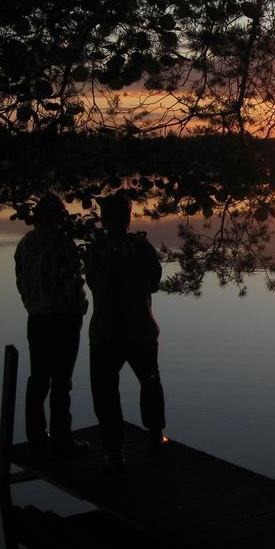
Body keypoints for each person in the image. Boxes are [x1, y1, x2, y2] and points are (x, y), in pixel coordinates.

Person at [85, 192, 166, 472]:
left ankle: (115, 450)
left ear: (104, 218)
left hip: (106, 332)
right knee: (150, 381)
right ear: (128, 217)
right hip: (139, 329)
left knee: (106, 391)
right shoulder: (141, 248)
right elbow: (155, 282)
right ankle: (155, 436)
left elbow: (92, 282)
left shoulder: (95, 249)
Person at [14, 193, 90, 455]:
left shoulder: (24, 244)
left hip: (36, 318)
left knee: (38, 379)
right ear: (59, 216)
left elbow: (20, 282)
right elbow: (71, 284)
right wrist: (80, 307)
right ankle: (61, 438)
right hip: (63, 318)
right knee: (61, 381)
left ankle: (36, 436)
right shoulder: (62, 244)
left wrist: (32, 305)